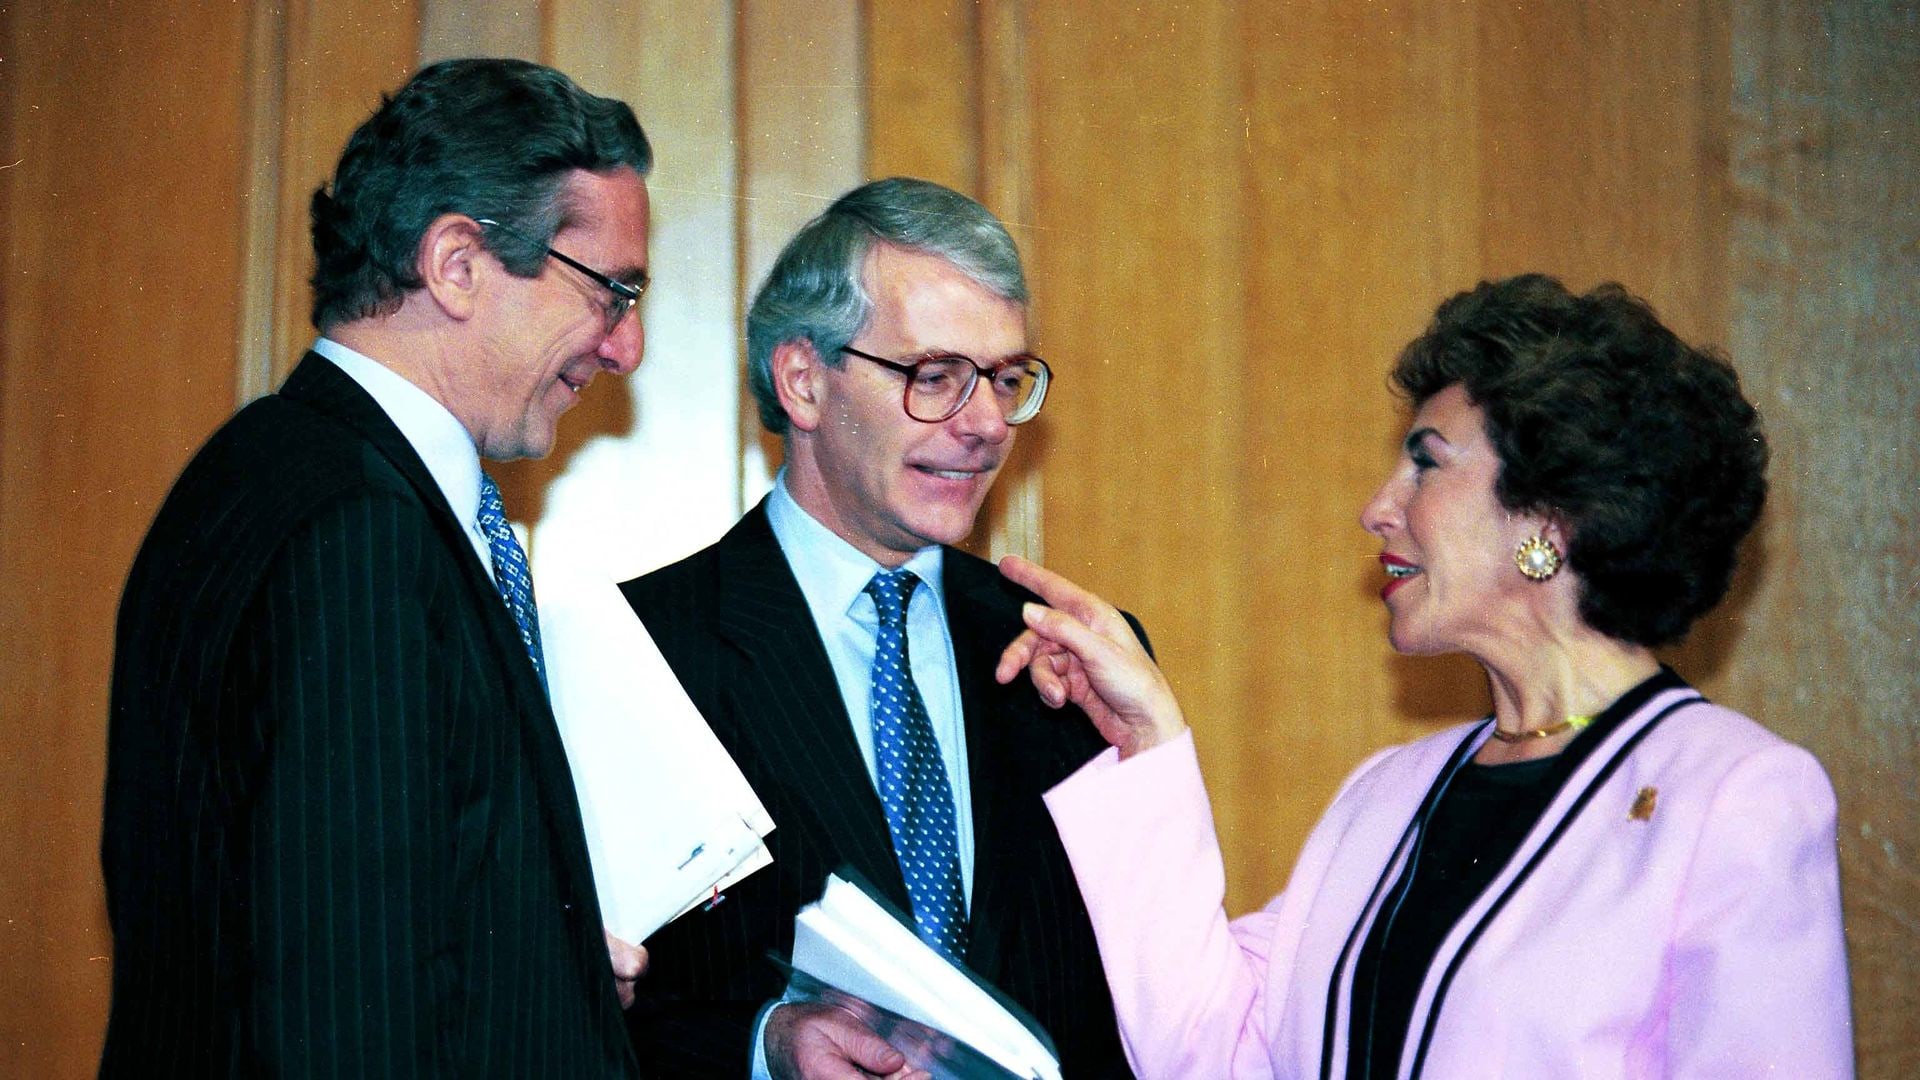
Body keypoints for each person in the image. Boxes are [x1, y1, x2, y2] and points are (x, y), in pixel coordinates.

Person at [999, 274, 1853, 1078]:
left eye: (1428, 463)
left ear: (1551, 516)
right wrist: (1148, 737)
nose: (1378, 508)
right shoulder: (1390, 791)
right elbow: (1220, 1052)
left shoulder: (1734, 795)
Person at [102, 59, 654, 1076]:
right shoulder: (358, 530)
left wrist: (547, 970)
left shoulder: (277, 470)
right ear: (457, 264)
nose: (627, 347)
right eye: (611, 292)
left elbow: (354, 906)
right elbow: (343, 1009)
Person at [620, 177, 1133, 1078]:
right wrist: (764, 1046)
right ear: (804, 382)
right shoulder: (644, 651)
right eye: (936, 378)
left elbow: (1144, 1001)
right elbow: (583, 1002)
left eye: (1006, 380)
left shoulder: (1079, 656)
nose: (986, 425)